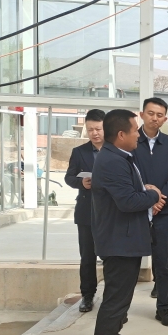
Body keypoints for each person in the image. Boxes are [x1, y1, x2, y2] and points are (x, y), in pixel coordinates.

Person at [88, 109, 163, 335]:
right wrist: (152, 194)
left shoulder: (118, 156)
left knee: (122, 297)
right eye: (134, 131)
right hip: (119, 241)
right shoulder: (112, 161)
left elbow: (129, 192)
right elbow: (128, 201)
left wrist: (144, 191)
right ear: (121, 134)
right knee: (115, 300)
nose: (138, 135)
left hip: (125, 239)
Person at [133, 97, 168, 327]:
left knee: (162, 264)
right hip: (135, 211)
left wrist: (159, 200)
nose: (155, 118)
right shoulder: (132, 141)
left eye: (159, 115)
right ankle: (120, 309)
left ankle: (163, 309)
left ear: (165, 119)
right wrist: (147, 197)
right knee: (129, 263)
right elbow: (128, 175)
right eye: (151, 113)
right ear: (142, 114)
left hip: (163, 212)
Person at [64, 109, 105, 313]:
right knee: (87, 256)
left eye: (98, 129)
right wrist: (81, 183)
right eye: (90, 130)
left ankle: (112, 297)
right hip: (86, 211)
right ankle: (87, 296)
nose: (94, 133)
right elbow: (69, 177)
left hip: (110, 213)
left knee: (111, 256)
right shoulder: (79, 152)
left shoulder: (116, 150)